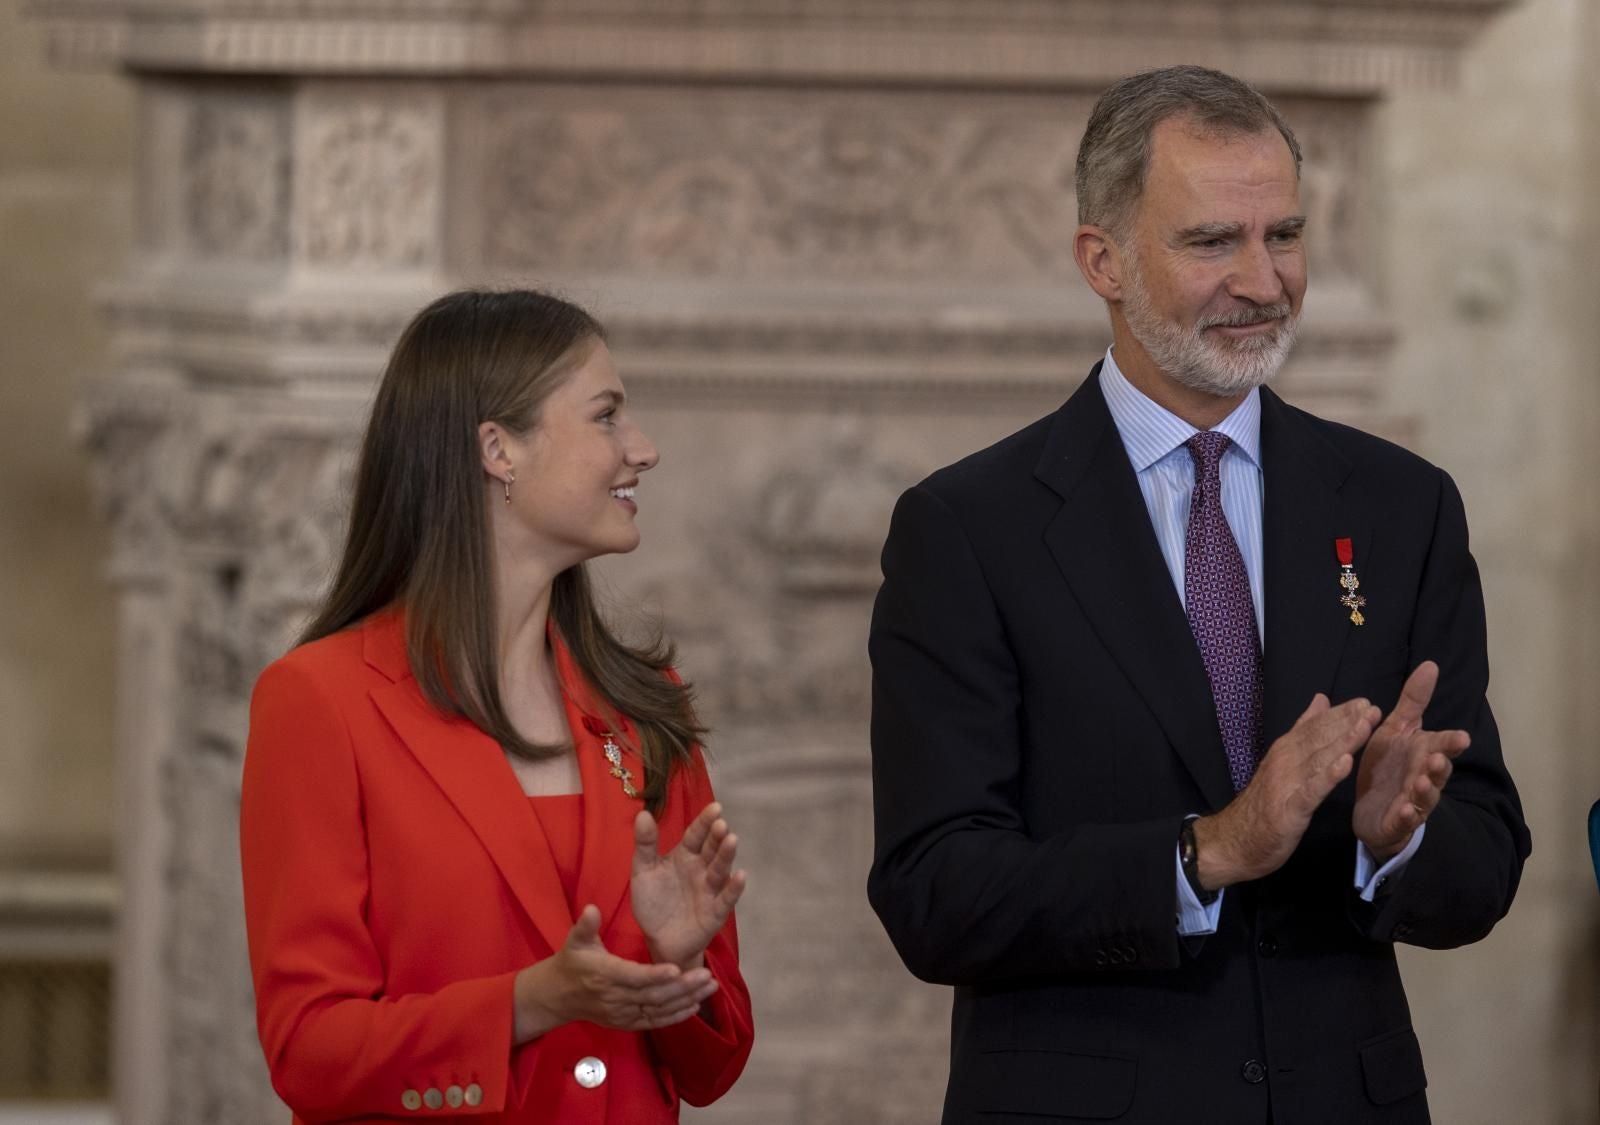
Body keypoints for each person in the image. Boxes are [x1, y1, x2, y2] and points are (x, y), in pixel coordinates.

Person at [867, 66, 1530, 1125]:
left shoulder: (1405, 507)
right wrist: (1206, 851)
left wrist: (1386, 839)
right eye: (1213, 242)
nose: (1263, 282)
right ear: (1104, 260)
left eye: (1284, 236)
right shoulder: (968, 528)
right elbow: (933, 893)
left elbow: (1486, 861)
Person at [240, 289, 754, 1123]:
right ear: (498, 449)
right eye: (607, 416)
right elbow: (308, 1050)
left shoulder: (647, 710)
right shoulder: (319, 702)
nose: (643, 448)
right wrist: (530, 1000)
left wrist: (675, 965)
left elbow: (712, 1069)